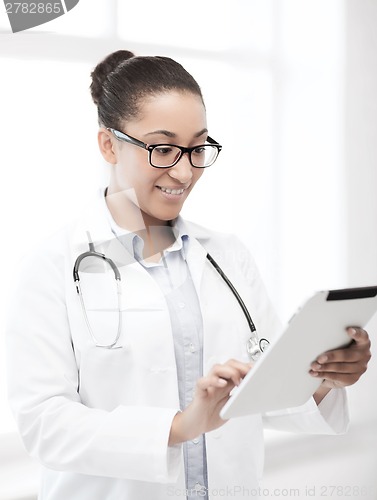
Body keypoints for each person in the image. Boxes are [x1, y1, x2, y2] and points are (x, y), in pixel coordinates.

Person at [6, 50, 371, 500]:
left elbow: (267, 388)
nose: (185, 171)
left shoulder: (227, 255)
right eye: (162, 149)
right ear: (108, 145)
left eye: (197, 148)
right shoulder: (51, 266)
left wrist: (324, 377)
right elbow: (45, 426)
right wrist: (181, 427)